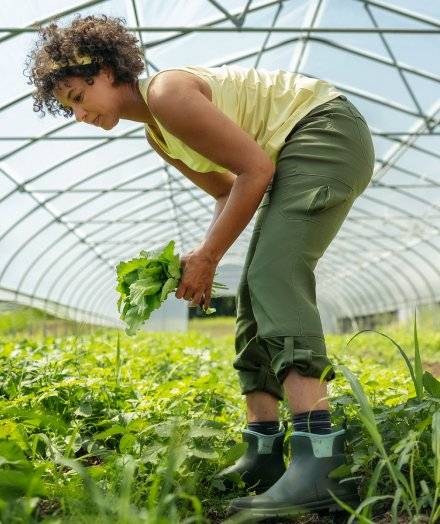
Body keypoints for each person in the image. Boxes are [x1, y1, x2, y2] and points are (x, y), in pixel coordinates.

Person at [25, 13, 374, 519]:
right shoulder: (159, 136)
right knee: (256, 291)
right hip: (294, 150)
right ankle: (263, 452)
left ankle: (321, 457)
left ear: (107, 71)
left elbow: (257, 170)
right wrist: (199, 257)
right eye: (69, 109)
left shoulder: (168, 94)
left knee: (274, 276)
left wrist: (210, 257)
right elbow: (229, 190)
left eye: (78, 97)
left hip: (324, 131)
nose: (79, 115)